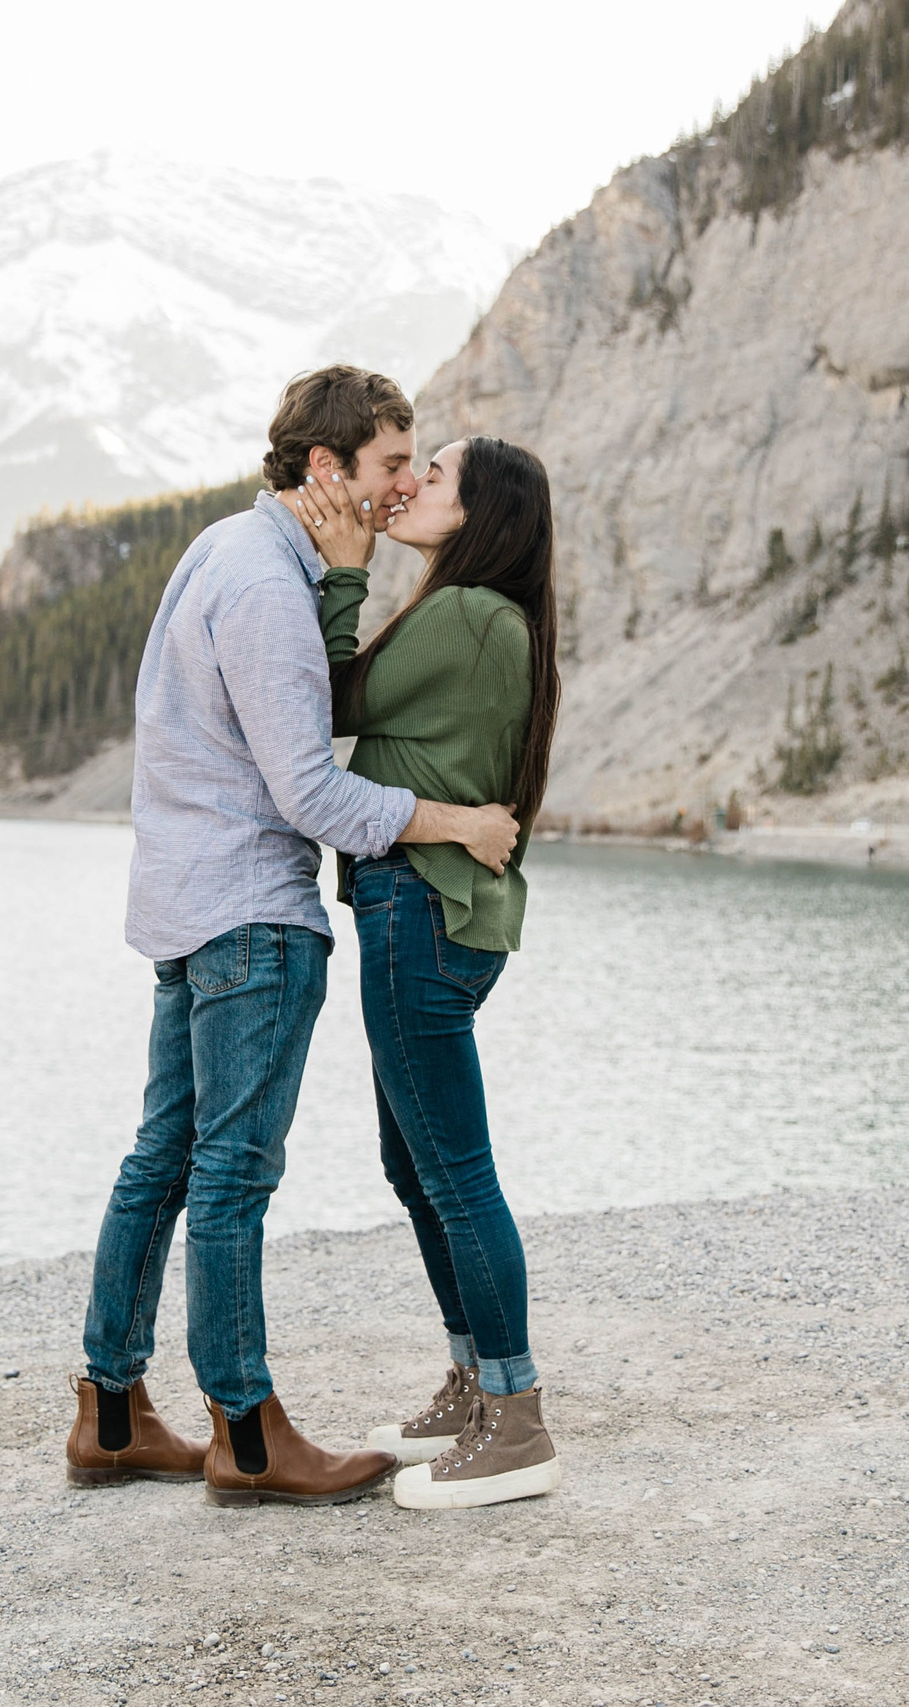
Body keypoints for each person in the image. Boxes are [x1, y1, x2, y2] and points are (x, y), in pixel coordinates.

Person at [65, 367, 521, 1508]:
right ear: (326, 470)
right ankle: (249, 1437)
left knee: (161, 1158)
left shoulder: (218, 548)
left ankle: (112, 1413)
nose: (401, 485)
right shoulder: (271, 586)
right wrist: (453, 819)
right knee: (231, 1174)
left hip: (183, 900)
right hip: (249, 915)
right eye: (385, 467)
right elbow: (314, 791)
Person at [280, 435, 563, 1510]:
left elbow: (332, 701)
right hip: (437, 913)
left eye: (432, 476)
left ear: (480, 510)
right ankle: (469, 1382)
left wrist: (345, 568)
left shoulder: (464, 614)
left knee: (450, 1172)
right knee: (418, 1167)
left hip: (419, 909)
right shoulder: (487, 615)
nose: (408, 487)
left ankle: (516, 1415)